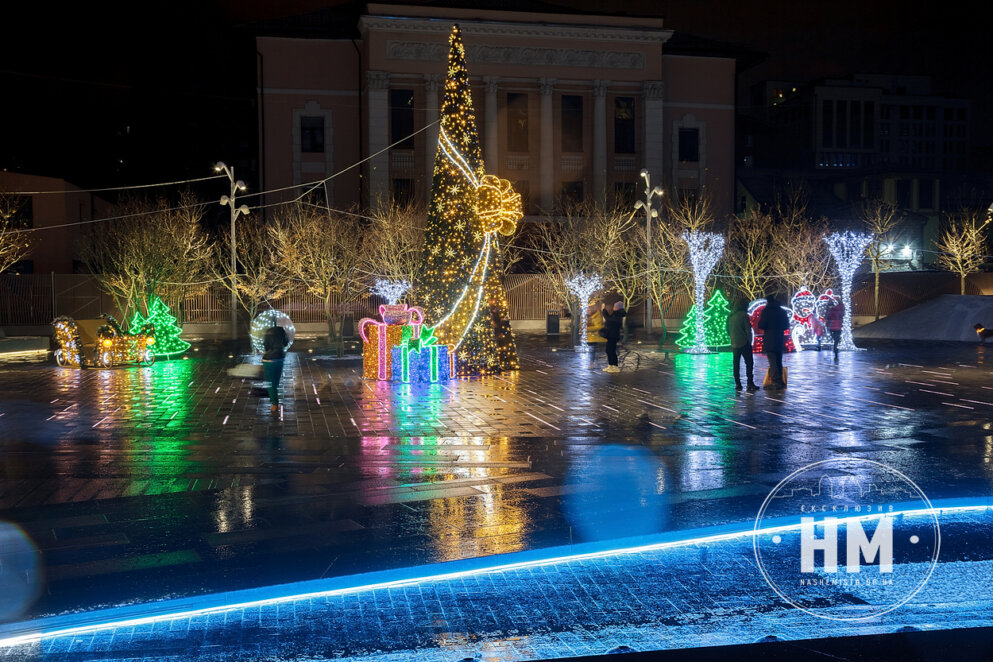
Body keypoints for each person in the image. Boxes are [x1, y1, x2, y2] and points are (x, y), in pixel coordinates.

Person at [758, 293, 789, 389]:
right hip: (779, 338)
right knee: (779, 360)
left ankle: (776, 382)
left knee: (772, 361)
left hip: (769, 339)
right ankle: (779, 380)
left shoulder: (766, 311)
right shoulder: (782, 311)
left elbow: (761, 325)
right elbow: (786, 326)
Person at [727, 298, 758, 392]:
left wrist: (733, 337)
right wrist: (750, 341)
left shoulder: (730, 316)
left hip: (734, 343)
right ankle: (750, 383)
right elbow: (748, 330)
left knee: (736, 364)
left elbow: (727, 330)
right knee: (749, 363)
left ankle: (738, 384)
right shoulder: (744, 315)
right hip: (744, 342)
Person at [262, 321, 290, 414]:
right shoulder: (282, 331)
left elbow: (266, 346)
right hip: (280, 359)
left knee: (270, 383)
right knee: (276, 382)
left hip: (269, 361)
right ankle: (275, 400)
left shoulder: (268, 332)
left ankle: (275, 403)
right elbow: (286, 343)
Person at [601, 301, 626, 373]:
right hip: (611, 335)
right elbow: (609, 320)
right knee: (609, 350)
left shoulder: (619, 315)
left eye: (615, 307)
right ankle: (610, 365)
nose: (613, 308)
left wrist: (604, 311)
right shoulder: (615, 314)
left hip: (614, 335)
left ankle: (615, 366)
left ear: (618, 308)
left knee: (611, 350)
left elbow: (609, 320)